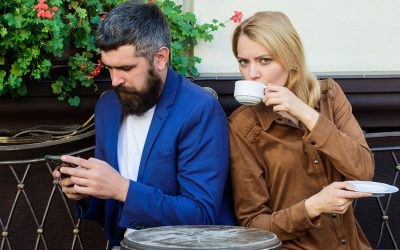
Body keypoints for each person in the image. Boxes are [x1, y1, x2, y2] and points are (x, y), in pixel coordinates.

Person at [53, 1, 235, 248]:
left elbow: (200, 214)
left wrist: (122, 189)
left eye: (126, 68)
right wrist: (86, 192)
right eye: (110, 68)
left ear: (160, 57)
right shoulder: (108, 107)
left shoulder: (199, 110)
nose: (115, 80)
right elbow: (113, 209)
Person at [228, 11, 375, 249]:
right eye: (244, 61)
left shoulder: (329, 95)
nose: (252, 73)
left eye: (264, 60)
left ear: (292, 59)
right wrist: (314, 206)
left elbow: (364, 170)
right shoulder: (243, 127)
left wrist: (305, 113)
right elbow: (253, 226)